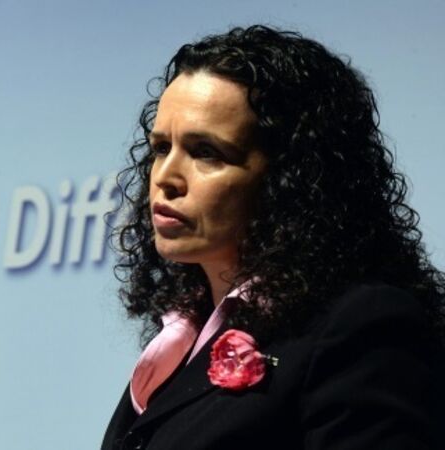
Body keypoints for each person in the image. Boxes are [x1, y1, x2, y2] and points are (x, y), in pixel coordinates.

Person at [101, 25, 445, 450]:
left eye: (206, 152)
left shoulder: (359, 327)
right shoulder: (181, 339)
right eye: (160, 148)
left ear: (291, 177)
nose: (165, 177)